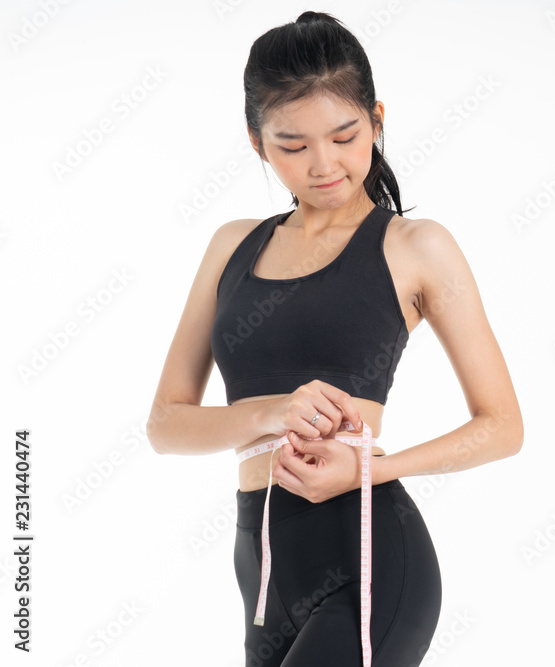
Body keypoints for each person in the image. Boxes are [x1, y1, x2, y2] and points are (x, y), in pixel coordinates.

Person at [145, 11, 523, 666]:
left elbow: (503, 425)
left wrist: (371, 467)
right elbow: (165, 425)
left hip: (371, 556)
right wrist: (268, 411)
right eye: (293, 145)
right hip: (261, 569)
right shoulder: (232, 246)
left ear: (377, 120)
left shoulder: (417, 247)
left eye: (346, 136)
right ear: (257, 142)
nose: (324, 164)